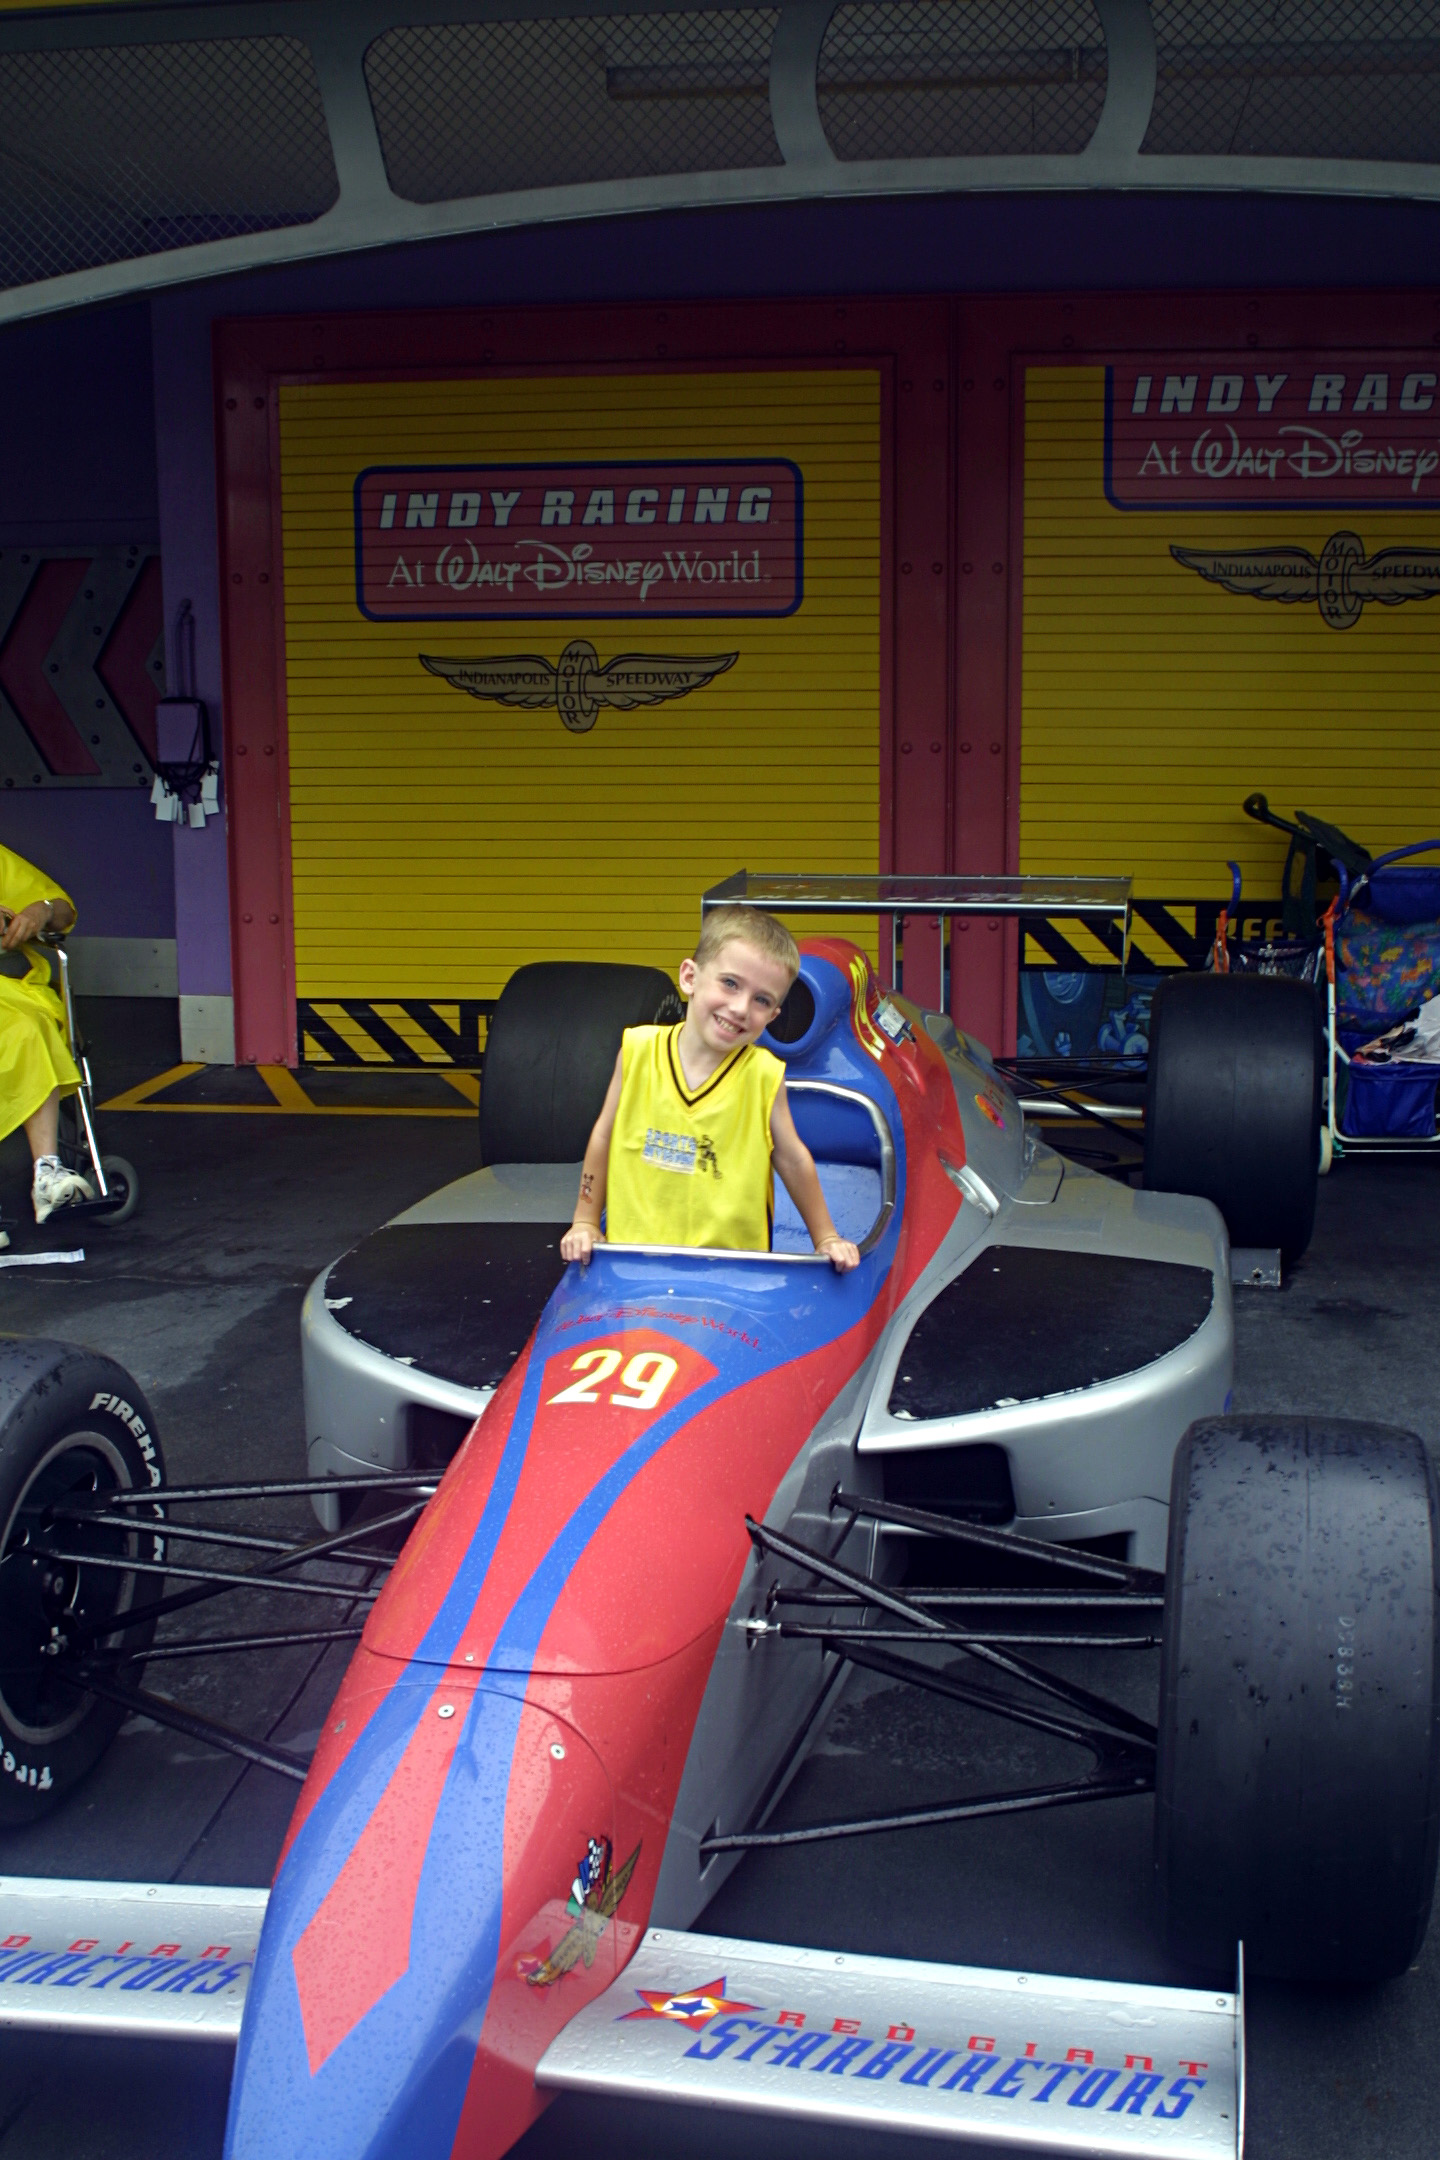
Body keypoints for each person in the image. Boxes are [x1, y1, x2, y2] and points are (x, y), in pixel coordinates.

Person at [559, 905, 861, 1271]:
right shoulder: (637, 1051)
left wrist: (826, 1237)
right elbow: (604, 1136)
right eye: (730, 983)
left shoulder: (764, 1075)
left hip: (732, 1272)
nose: (740, 1008)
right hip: (633, 1264)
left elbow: (792, 1158)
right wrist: (586, 1220)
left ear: (773, 1016)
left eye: (762, 1000)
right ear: (690, 977)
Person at [0, 844, 92, 1226]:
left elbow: (64, 911)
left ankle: (47, 1173)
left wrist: (42, 910)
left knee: (30, 1028)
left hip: (12, 994)